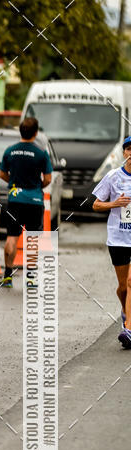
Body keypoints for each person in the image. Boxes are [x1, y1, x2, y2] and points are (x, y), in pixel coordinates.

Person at [0, 117, 52, 288]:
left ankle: (7, 275)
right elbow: (48, 179)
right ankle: (31, 277)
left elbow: (2, 174)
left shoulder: (10, 151)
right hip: (35, 200)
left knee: (12, 237)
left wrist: (13, 183)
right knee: (32, 239)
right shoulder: (41, 153)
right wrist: (37, 186)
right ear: (36, 133)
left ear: (20, 131)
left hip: (15, 199)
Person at [92, 134, 131, 347]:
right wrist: (115, 203)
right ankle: (126, 310)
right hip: (118, 238)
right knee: (123, 286)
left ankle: (129, 328)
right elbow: (96, 205)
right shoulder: (113, 177)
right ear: (124, 153)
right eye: (129, 149)